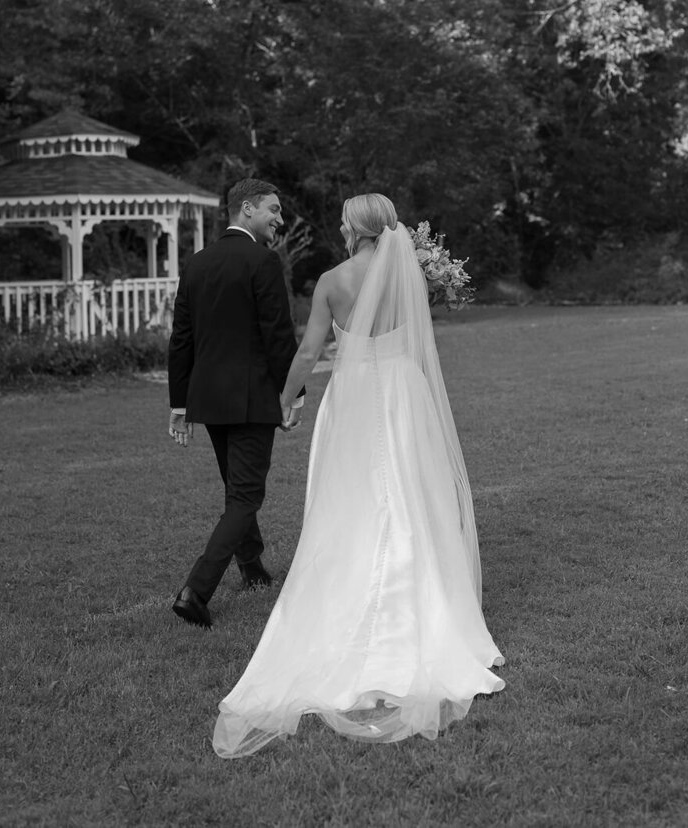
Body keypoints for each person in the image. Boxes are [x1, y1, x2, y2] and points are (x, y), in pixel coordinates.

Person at [213, 193, 504, 756]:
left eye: (343, 221)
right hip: (404, 395)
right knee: (412, 494)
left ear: (353, 227)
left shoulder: (331, 281)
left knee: (351, 501)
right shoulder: (410, 278)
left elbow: (307, 352)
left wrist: (288, 398)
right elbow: (420, 345)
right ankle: (423, 602)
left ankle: (357, 601)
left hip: (354, 399)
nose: (340, 227)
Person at [167, 177, 303, 629]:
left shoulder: (198, 263)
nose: (279, 220)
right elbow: (278, 337)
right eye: (273, 209)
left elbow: (181, 339)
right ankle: (196, 591)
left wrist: (180, 402)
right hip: (250, 400)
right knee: (245, 496)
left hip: (208, 400)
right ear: (246, 209)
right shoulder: (263, 261)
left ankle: (252, 568)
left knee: (236, 491)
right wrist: (294, 395)